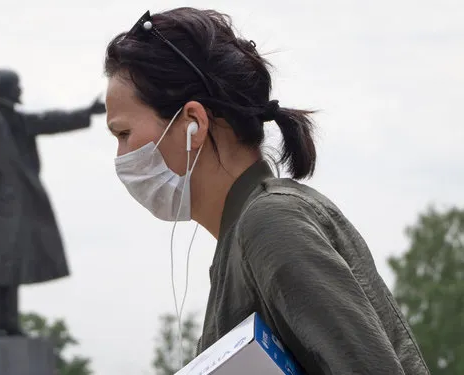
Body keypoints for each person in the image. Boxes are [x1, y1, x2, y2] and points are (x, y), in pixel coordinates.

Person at [103, 8, 430, 375]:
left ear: (193, 122)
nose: (121, 157)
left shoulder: (270, 222)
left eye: (123, 134)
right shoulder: (242, 239)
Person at [0, 68, 106, 336]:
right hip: (1, 204)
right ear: (6, 89)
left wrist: (87, 112)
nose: (21, 90)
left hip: (22, 204)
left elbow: (50, 120)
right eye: (17, 85)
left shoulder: (18, 120)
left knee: (11, 262)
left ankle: (7, 321)